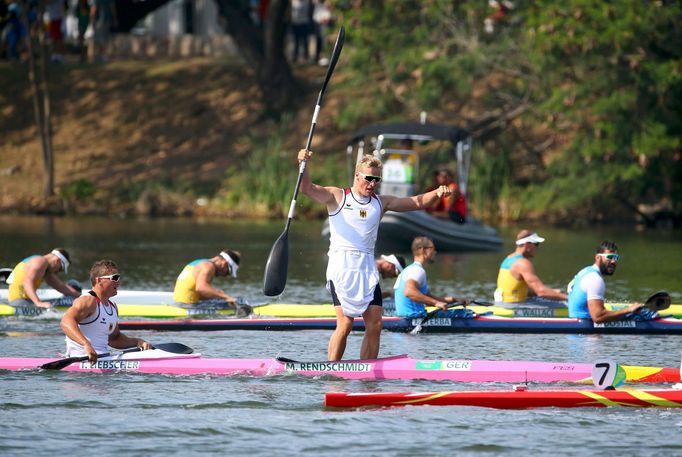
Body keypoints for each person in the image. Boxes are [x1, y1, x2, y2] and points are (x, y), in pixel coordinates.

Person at [297, 149, 452, 361]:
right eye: (368, 178)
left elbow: (415, 202)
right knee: (345, 323)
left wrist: (436, 193)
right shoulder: (337, 196)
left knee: (376, 323)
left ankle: (366, 370)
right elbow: (306, 188)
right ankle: (331, 369)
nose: (372, 184)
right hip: (342, 266)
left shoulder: (381, 202)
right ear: (357, 176)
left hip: (366, 267)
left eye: (376, 179)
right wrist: (304, 164)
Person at [61, 259, 152, 363]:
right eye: (115, 278)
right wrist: (86, 344)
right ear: (99, 280)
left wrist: (137, 342)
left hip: (103, 360)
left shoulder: (113, 307)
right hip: (82, 360)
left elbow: (114, 339)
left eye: (119, 278)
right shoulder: (88, 300)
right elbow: (65, 322)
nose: (119, 282)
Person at [567, 241, 643, 323]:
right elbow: (598, 317)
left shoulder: (585, 271)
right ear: (597, 258)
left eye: (616, 258)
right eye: (610, 257)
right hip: (584, 330)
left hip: (576, 323)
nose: (613, 261)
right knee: (644, 313)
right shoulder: (595, 279)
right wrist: (628, 310)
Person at [393, 236, 468, 318]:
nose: (435, 252)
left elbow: (428, 298)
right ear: (423, 250)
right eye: (433, 248)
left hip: (406, 315)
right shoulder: (417, 271)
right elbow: (409, 292)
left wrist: (454, 300)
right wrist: (436, 303)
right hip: (413, 317)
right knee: (466, 314)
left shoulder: (409, 269)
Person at [493, 230, 568, 304]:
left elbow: (516, 289)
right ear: (526, 244)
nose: (537, 248)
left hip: (502, 304)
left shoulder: (508, 259)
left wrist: (554, 292)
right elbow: (541, 292)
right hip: (513, 308)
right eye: (536, 244)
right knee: (567, 304)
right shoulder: (523, 263)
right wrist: (568, 298)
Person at [173, 250, 251, 315]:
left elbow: (197, 292)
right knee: (238, 301)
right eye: (228, 272)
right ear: (225, 264)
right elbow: (201, 288)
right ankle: (249, 311)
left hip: (179, 303)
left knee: (222, 299)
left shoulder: (199, 262)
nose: (225, 276)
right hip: (188, 306)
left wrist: (217, 295)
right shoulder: (208, 266)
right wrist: (226, 297)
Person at [7, 248, 81, 308]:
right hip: (20, 303)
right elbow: (27, 282)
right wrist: (38, 303)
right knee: (71, 300)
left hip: (21, 301)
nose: (58, 272)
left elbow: (61, 287)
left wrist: (83, 296)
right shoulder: (40, 262)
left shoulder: (44, 269)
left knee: (73, 298)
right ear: (57, 261)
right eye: (60, 269)